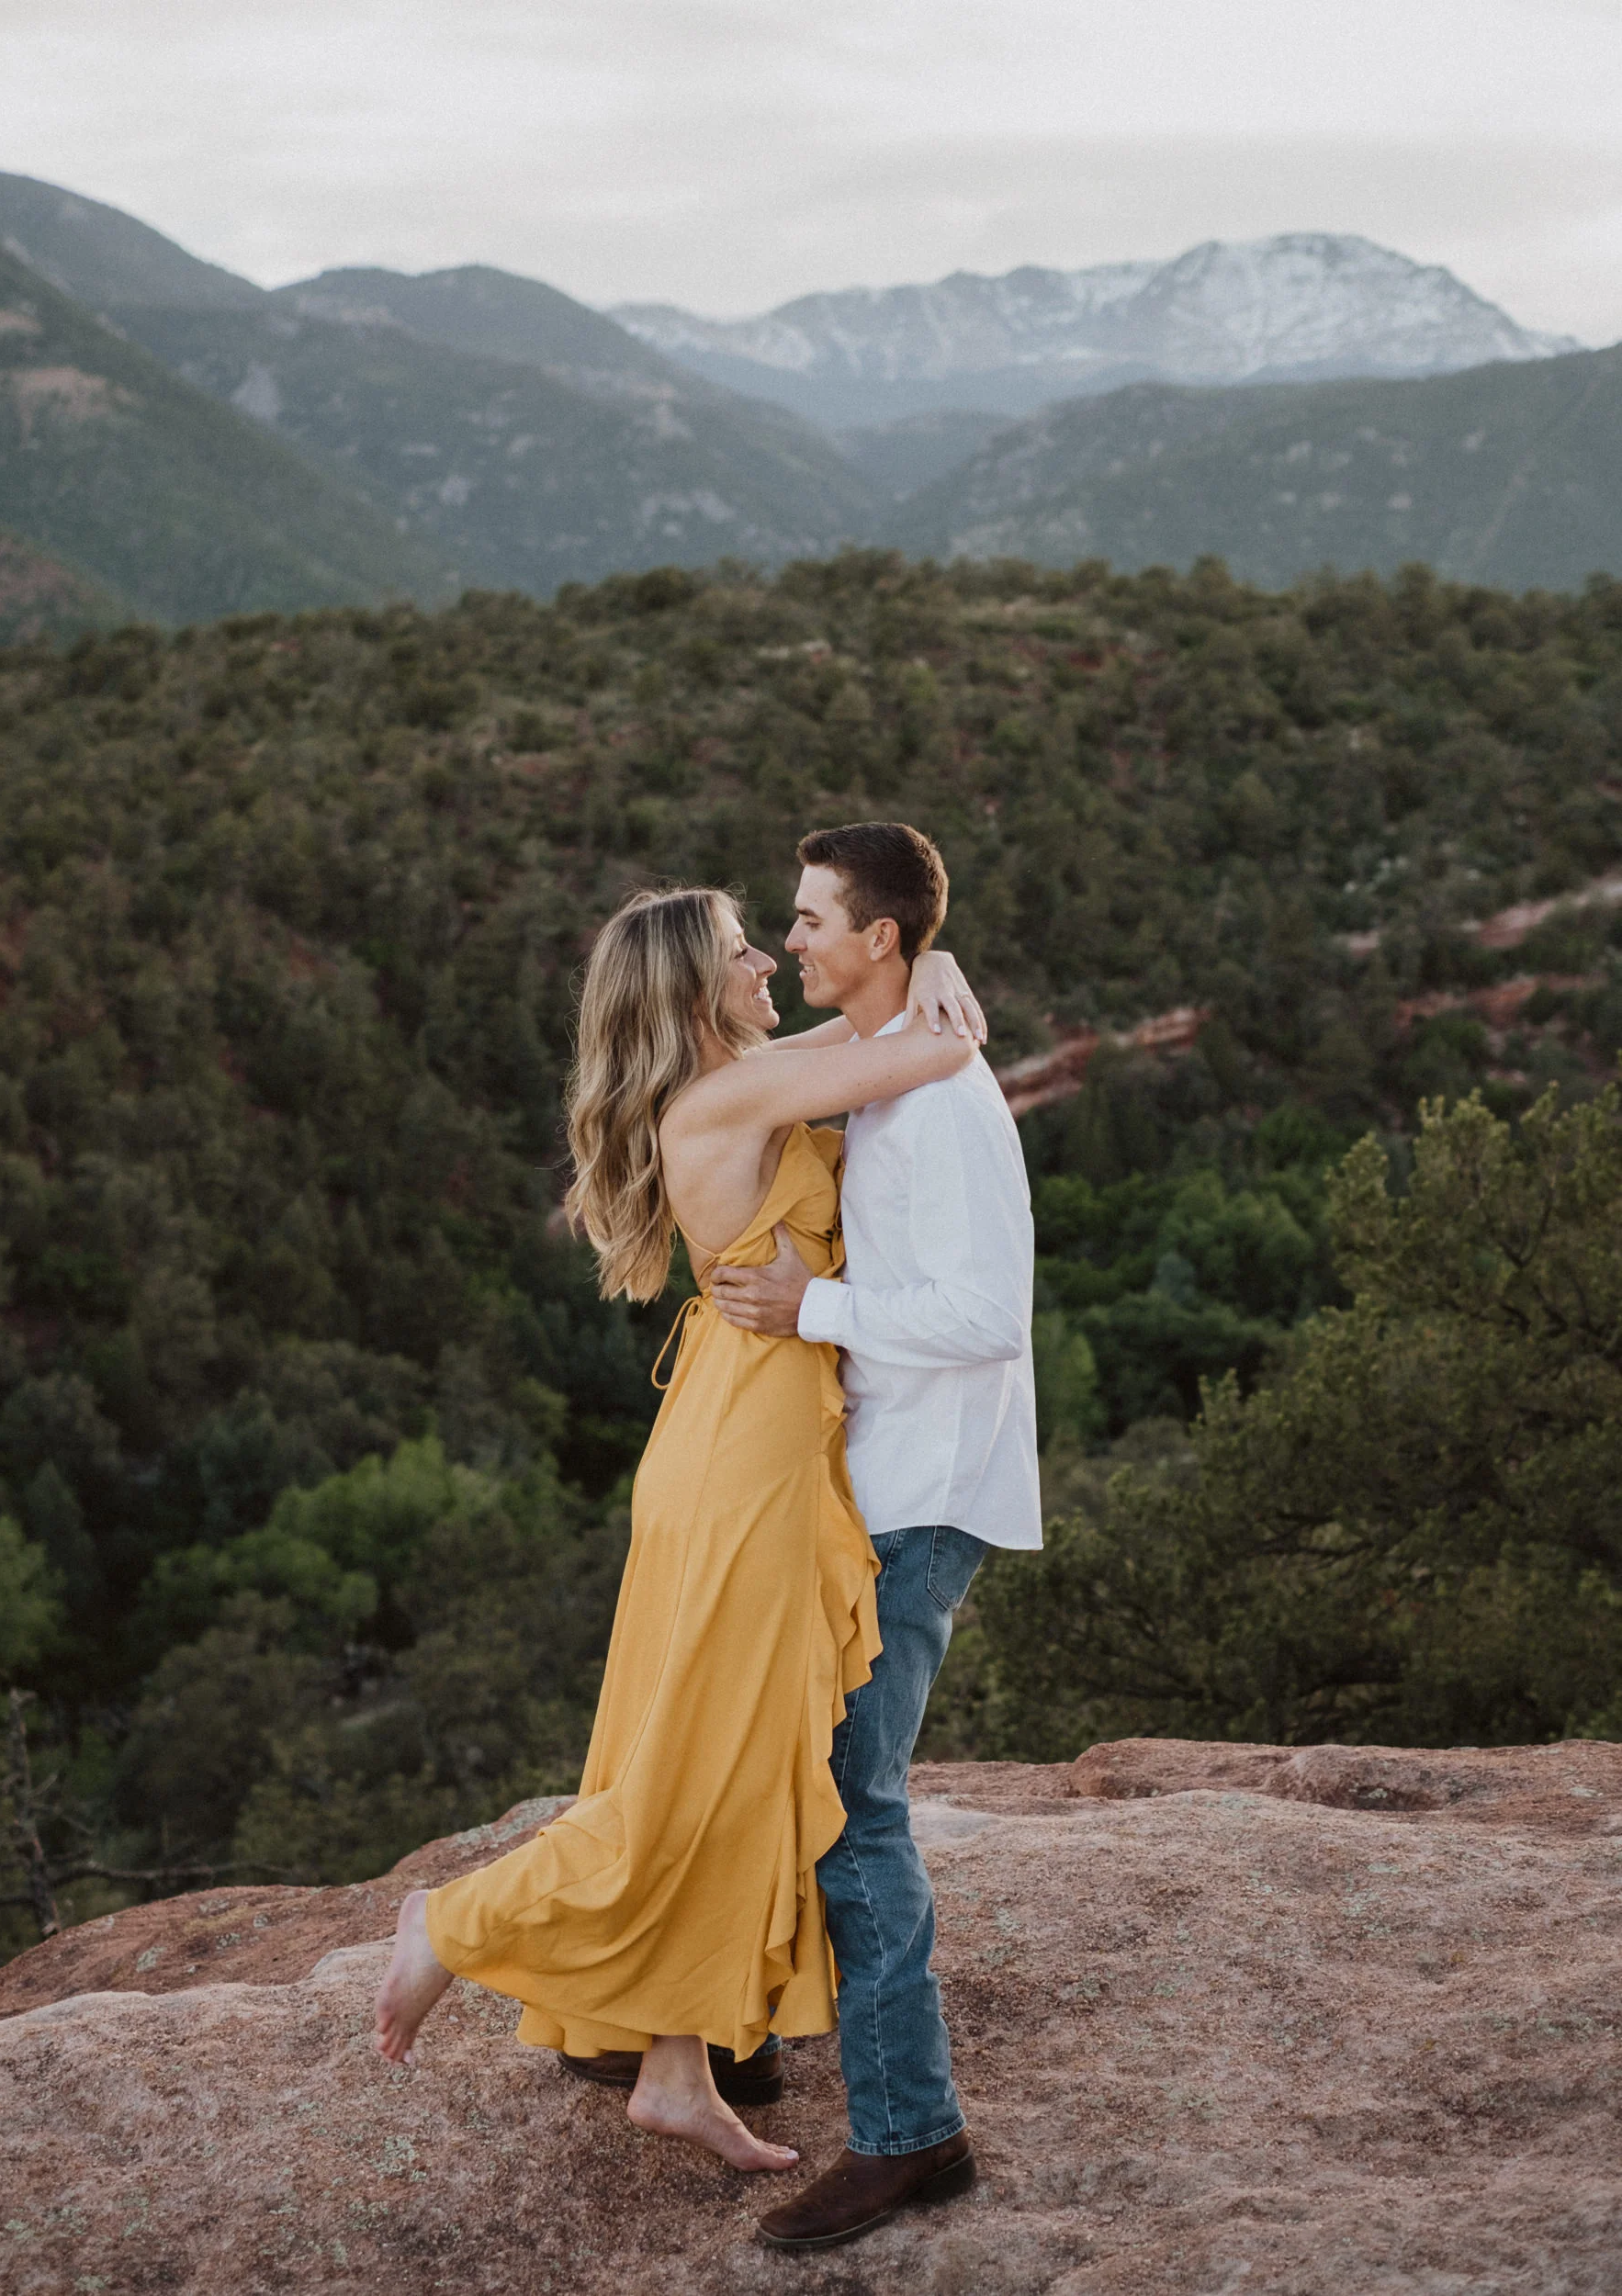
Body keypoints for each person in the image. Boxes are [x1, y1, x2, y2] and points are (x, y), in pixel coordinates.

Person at [371, 882, 986, 2176]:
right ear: (690, 994)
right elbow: (928, 1046)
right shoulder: (723, 1099)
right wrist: (925, 969)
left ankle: (673, 2066)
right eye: (739, 951)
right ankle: (452, 1922)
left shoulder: (743, 1076)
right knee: (694, 1770)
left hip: (740, 1427)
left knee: (741, 1760)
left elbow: (871, 1033)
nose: (769, 959)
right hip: (747, 1457)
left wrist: (924, 966)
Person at [707, 822, 1041, 2250]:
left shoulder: (948, 1105)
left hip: (922, 1503)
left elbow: (987, 1320)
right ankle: (732, 2039)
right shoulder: (897, 1070)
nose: (794, 942)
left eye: (813, 920)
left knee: (859, 1805)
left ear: (883, 937)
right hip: (876, 1485)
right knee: (803, 1769)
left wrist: (812, 1312)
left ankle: (914, 2136)